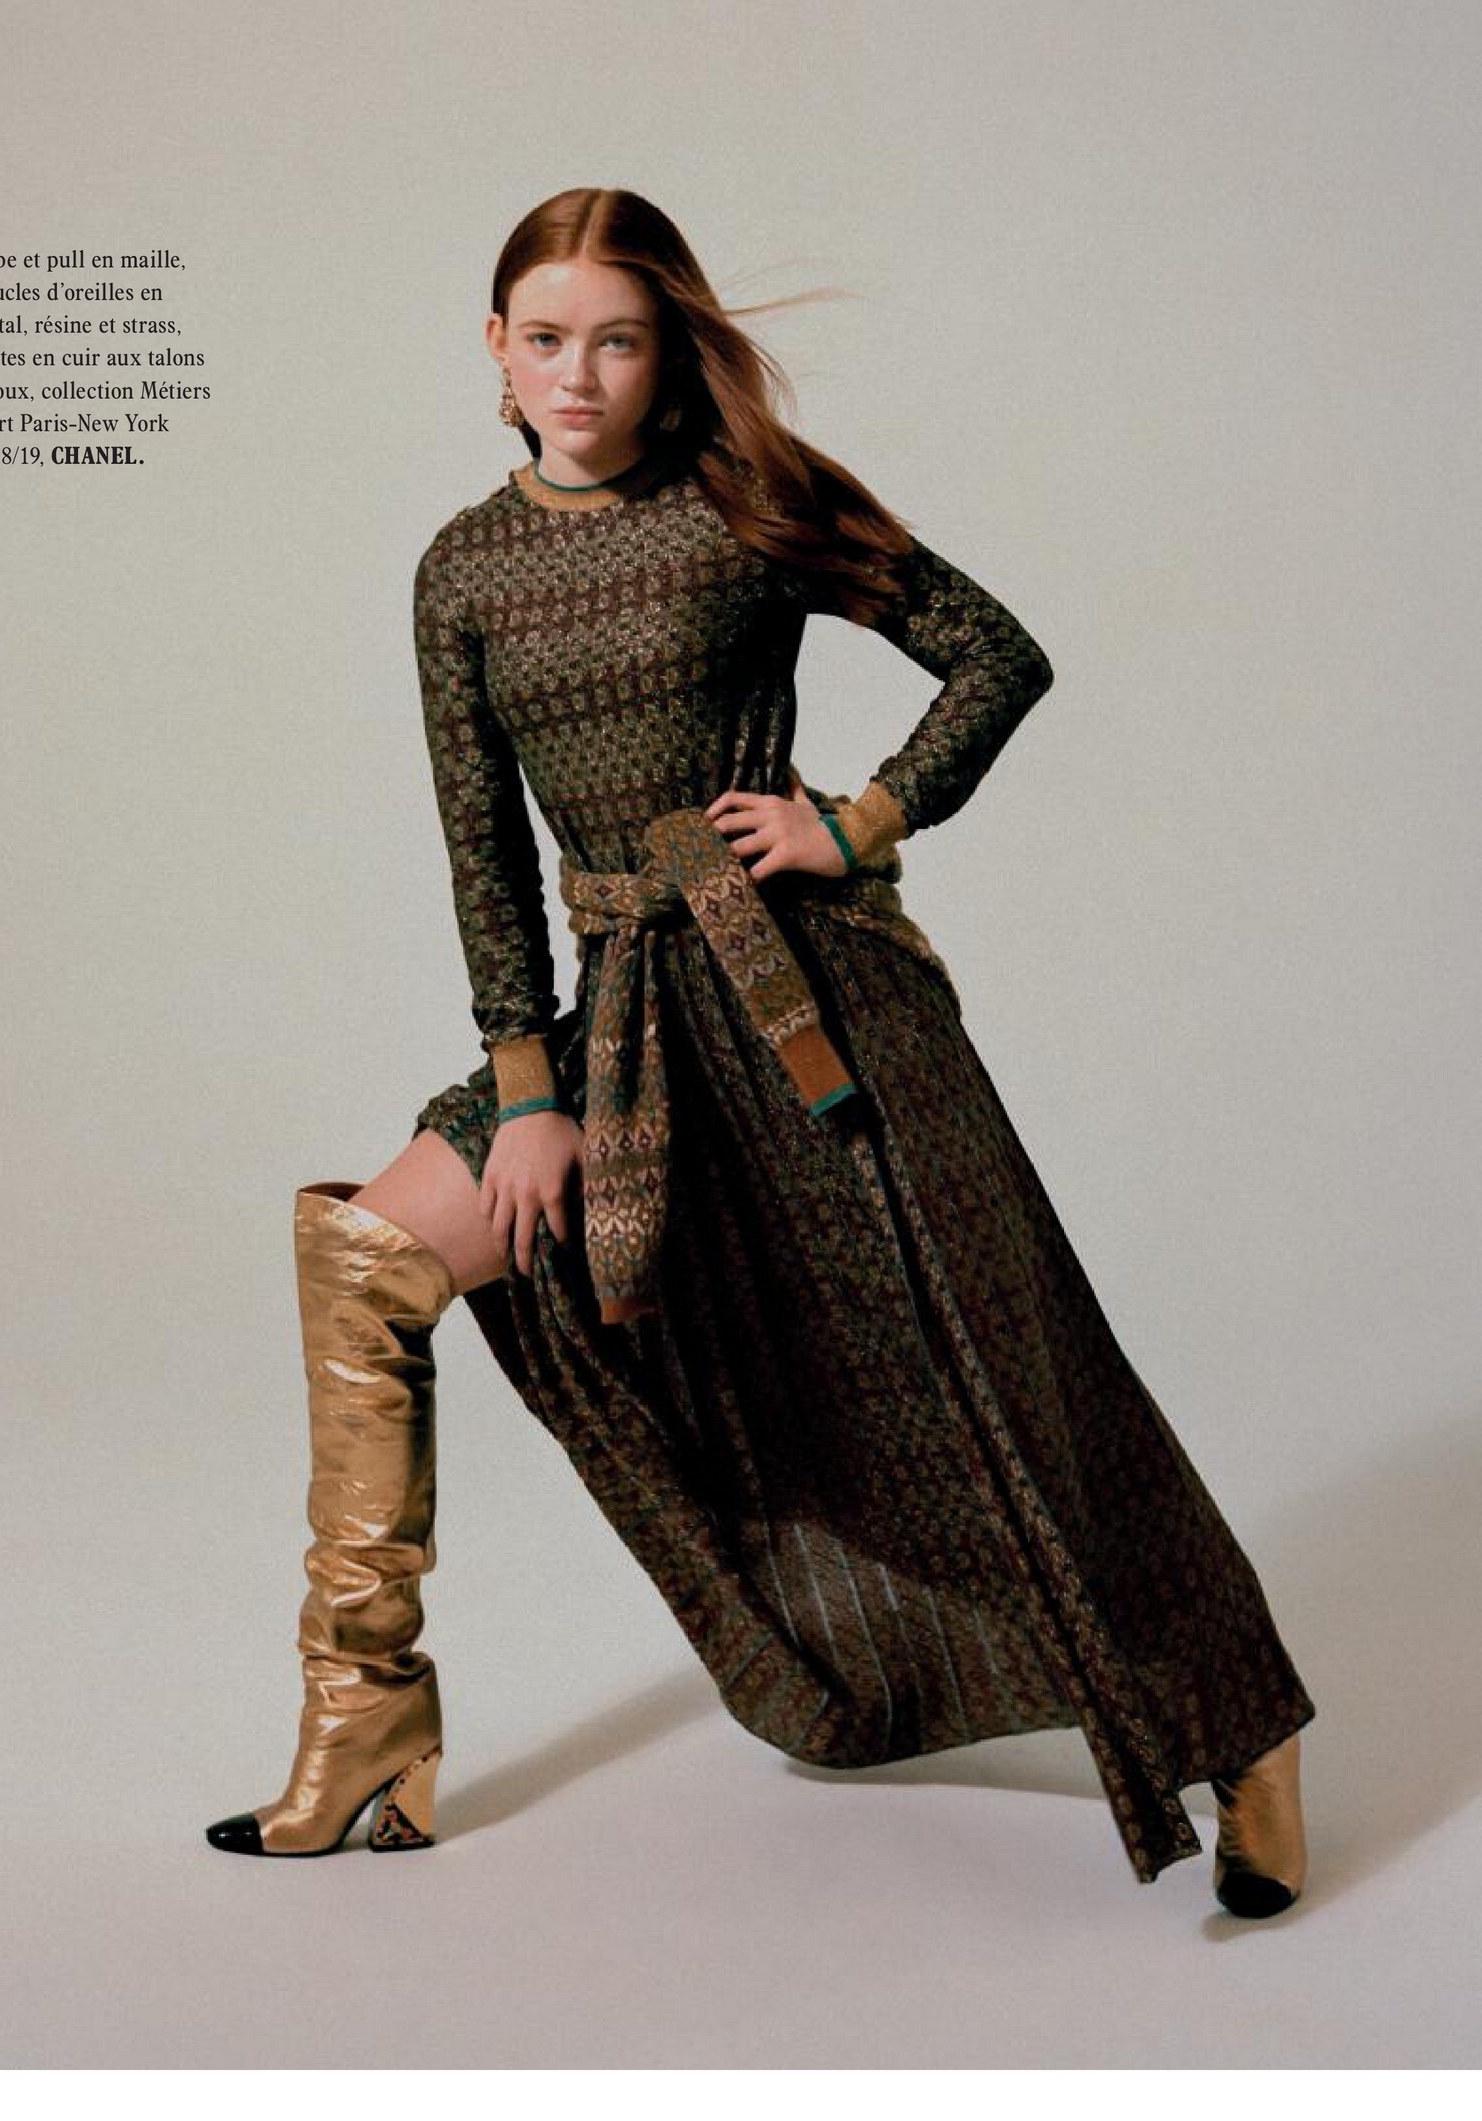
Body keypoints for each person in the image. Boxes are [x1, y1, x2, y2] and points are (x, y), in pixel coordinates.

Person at [205, 187, 1313, 1917]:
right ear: (495, 348)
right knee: (366, 1256)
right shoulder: (463, 571)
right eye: (547, 337)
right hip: (626, 1032)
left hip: (818, 1014)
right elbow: (482, 854)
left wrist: (856, 820)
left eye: (619, 339)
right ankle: (365, 1721)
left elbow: (994, 653)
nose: (581, 373)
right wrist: (526, 1092)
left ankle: (1246, 1733)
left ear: (669, 355)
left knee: (1015, 1388)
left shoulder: (743, 505)